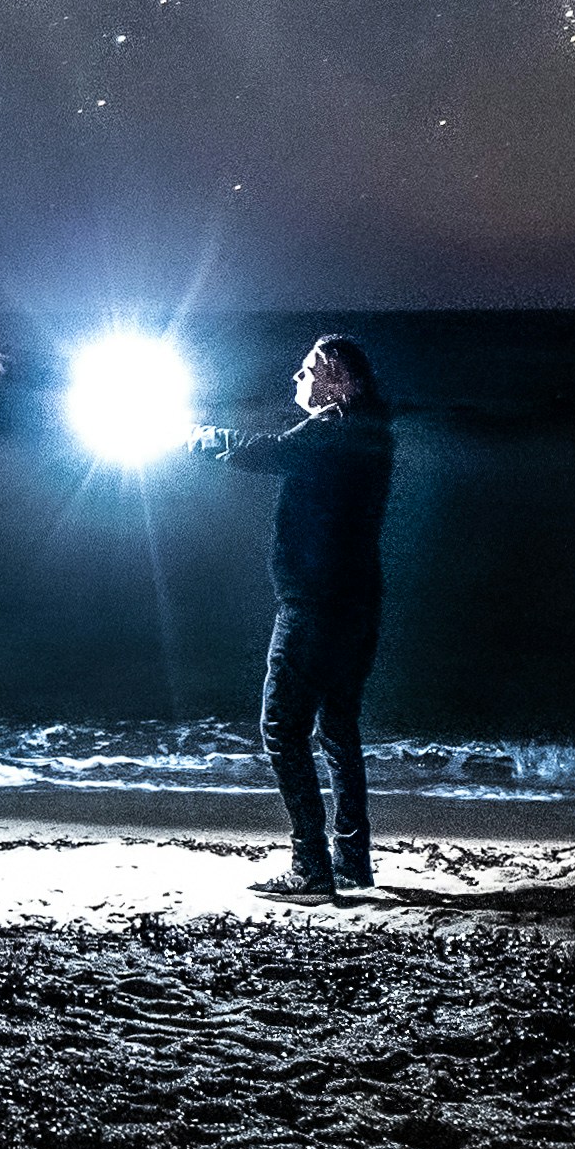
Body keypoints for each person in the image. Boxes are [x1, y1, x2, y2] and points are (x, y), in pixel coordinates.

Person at [198, 332, 393, 896]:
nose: (296, 379)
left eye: (308, 369)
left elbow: (261, 452)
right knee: (337, 727)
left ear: (338, 378)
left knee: (281, 726)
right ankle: (353, 861)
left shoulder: (331, 429)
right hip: (358, 602)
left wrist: (193, 436)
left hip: (315, 605)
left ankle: (311, 866)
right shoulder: (371, 432)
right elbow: (282, 451)